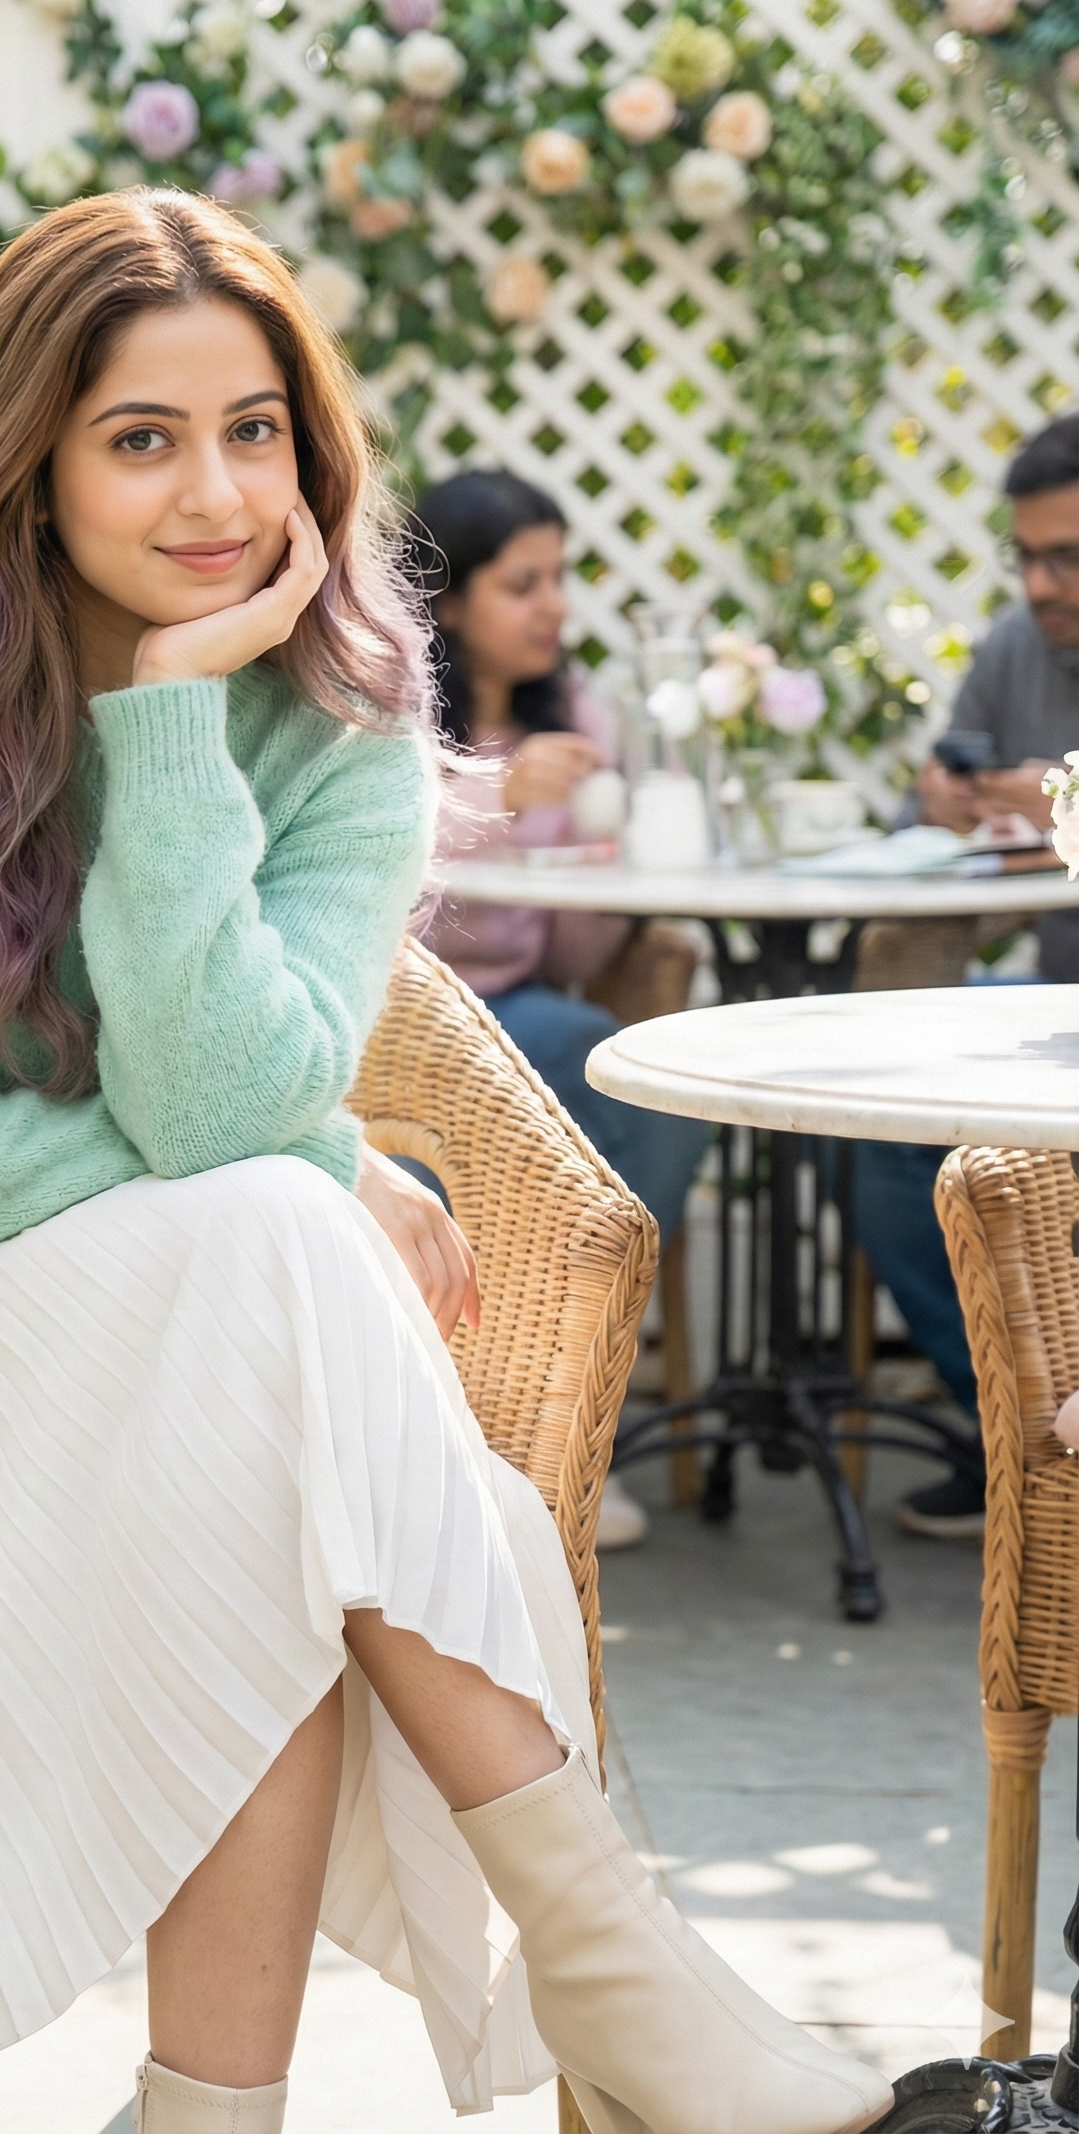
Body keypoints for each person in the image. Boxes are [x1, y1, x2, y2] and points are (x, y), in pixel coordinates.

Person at [0, 190, 889, 2134]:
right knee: (270, 1249)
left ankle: (209, 2115)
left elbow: (227, 1099)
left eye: (252, 429)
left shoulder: (333, 730)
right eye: (140, 438)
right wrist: (314, 1158)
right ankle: (612, 1973)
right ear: (31, 457)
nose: (211, 493)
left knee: (267, 1401)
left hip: (171, 1329)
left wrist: (172, 727)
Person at [415, 469, 714, 1550]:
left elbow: (573, 939)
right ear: (448, 601)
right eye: (521, 583)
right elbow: (370, 886)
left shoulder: (576, 717)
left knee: (645, 1076)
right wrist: (501, 799)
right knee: (588, 1054)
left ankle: (578, 1415)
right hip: (408, 1023)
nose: (552, 607)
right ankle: (484, 1423)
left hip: (531, 1013)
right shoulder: (389, 710)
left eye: (559, 579)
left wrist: (607, 840)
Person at [852, 412, 1079, 1540]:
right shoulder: (1012, 651)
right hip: (1045, 1011)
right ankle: (1010, 1435)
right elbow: (920, 825)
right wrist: (942, 801)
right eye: (1026, 556)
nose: (1041, 584)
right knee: (881, 1112)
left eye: (1067, 557)